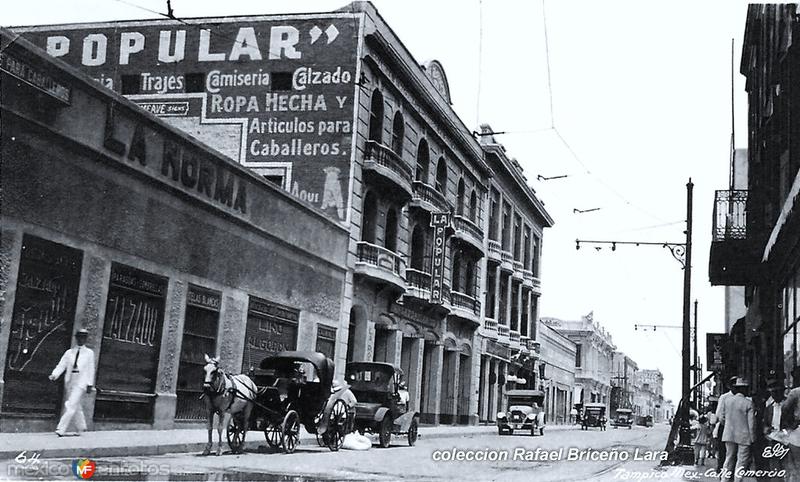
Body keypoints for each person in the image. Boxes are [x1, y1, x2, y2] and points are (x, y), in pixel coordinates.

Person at [49, 328, 95, 437]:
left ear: (86, 339)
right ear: (76, 338)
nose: (81, 339)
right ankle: (81, 427)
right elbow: (62, 365)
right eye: (79, 337)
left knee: (70, 404)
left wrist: (90, 383)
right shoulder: (69, 353)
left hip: (81, 382)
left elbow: (91, 369)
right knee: (76, 405)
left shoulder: (89, 353)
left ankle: (61, 428)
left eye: (84, 337)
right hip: (70, 380)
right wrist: (54, 374)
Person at [720, 377, 756, 482]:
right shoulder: (748, 403)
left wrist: (728, 425)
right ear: (744, 389)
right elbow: (751, 423)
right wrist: (753, 438)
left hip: (729, 434)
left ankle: (724, 480)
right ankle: (737, 480)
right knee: (741, 461)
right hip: (744, 436)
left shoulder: (727, 401)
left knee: (729, 458)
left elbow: (721, 418)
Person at [716, 376, 738, 472]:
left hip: (739, 429)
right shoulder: (724, 397)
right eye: (734, 386)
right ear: (729, 386)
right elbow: (719, 415)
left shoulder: (743, 397)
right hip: (725, 428)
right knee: (724, 454)